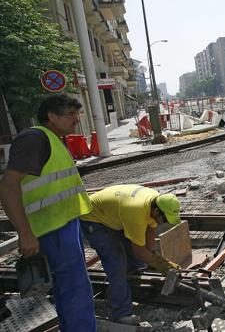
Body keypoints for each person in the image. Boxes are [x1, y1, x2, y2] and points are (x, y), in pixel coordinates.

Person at [0, 94, 96, 331]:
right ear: (52, 116)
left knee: (71, 289)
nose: (76, 120)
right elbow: (8, 185)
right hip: (50, 229)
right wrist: (25, 233)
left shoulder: (53, 139)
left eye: (77, 114)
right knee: (75, 290)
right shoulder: (35, 139)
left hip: (63, 224)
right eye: (70, 114)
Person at [80, 184, 182, 325]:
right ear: (157, 212)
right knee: (117, 264)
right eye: (165, 220)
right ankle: (120, 313)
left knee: (137, 262)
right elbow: (139, 251)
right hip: (93, 218)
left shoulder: (154, 202)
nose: (164, 223)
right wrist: (162, 264)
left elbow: (151, 231)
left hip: (115, 215)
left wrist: (151, 258)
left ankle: (131, 293)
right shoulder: (137, 212)